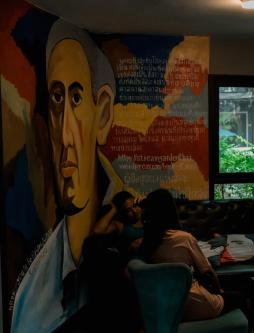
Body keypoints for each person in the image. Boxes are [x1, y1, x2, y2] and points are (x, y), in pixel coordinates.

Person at [11, 19, 116, 333]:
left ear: (104, 114)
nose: (66, 136)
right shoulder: (31, 300)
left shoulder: (124, 222)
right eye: (57, 99)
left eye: (76, 98)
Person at [140, 189, 241, 321]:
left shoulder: (146, 242)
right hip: (193, 303)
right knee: (240, 298)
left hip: (165, 308)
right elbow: (207, 272)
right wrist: (219, 291)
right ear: (171, 211)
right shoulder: (184, 238)